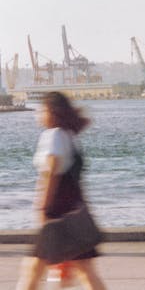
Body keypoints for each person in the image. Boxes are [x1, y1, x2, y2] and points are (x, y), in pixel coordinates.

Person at [16, 92, 105, 290]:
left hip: (56, 216)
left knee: (33, 268)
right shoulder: (69, 136)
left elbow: (50, 173)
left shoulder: (54, 135)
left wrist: (41, 207)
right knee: (84, 270)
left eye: (42, 109)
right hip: (73, 211)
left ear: (52, 112)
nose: (38, 114)